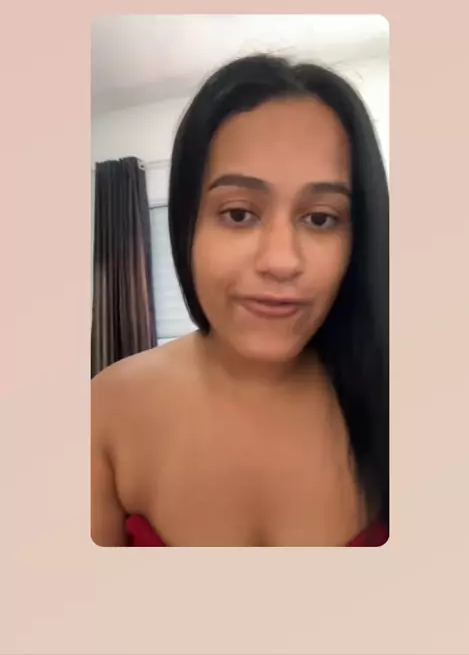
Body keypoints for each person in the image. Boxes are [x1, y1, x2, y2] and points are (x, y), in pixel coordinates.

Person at [91, 53, 389, 547]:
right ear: (188, 223)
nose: (281, 261)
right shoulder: (104, 410)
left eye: (320, 218)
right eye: (238, 214)